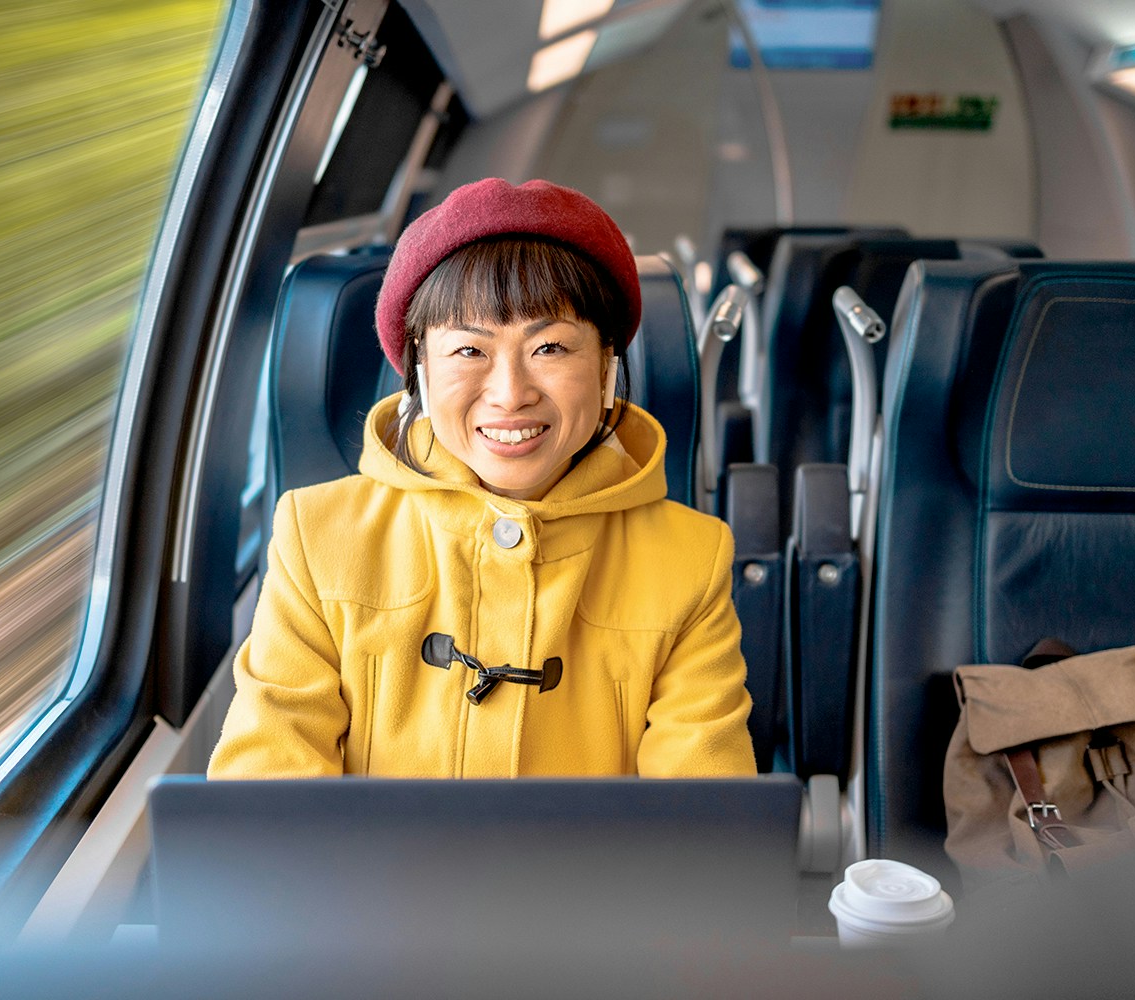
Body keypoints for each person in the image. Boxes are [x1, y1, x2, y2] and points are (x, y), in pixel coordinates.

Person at [208, 178, 755, 778]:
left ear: (606, 366)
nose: (510, 395)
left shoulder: (692, 560)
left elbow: (699, 827)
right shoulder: (315, 537)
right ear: (419, 367)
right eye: (469, 351)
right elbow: (266, 802)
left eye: (549, 348)